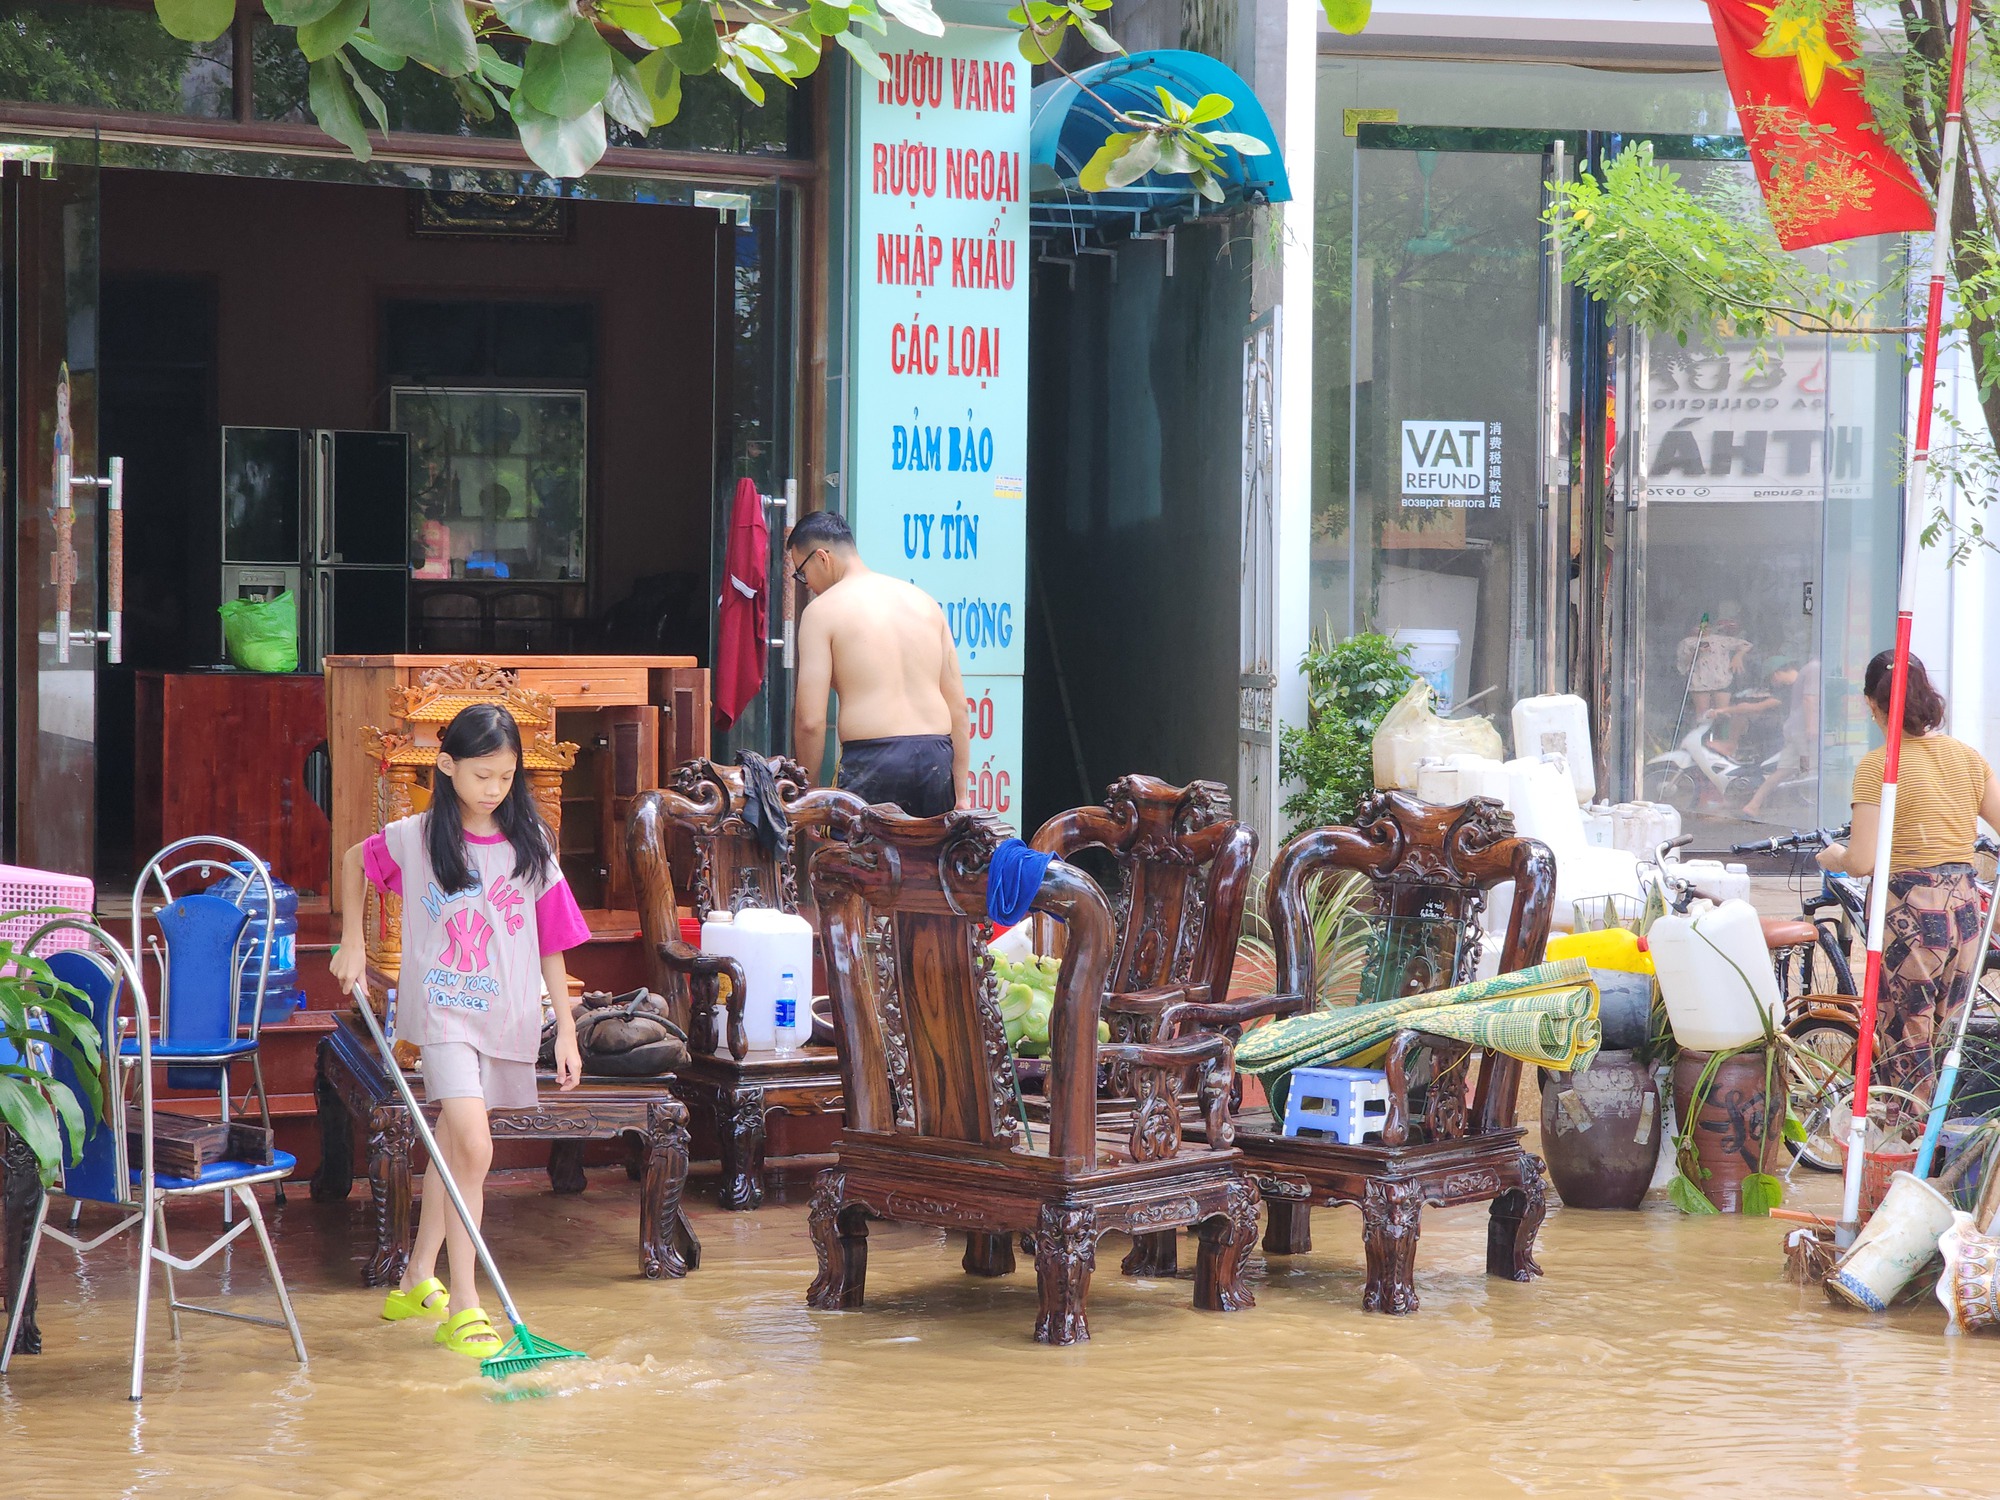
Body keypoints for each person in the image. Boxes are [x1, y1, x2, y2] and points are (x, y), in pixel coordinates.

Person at [329, 703, 592, 1358]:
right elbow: (351, 862)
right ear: (447, 769)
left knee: (454, 1150)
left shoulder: (532, 845)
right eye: (481, 776)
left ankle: (418, 1277)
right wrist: (353, 943)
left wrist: (566, 1029)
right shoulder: (418, 836)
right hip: (443, 1014)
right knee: (474, 1148)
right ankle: (466, 1305)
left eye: (505, 777)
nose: (493, 790)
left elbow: (553, 942)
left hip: (505, 1017)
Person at [1818, 652, 2000, 1105]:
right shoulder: (1967, 759)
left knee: (1907, 1043)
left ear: (1870, 703)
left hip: (1911, 917)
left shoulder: (1881, 766)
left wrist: (1832, 855)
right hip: (1963, 911)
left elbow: (1860, 861)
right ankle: (1942, 1153)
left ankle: (1901, 1153)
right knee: (1950, 1042)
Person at [788, 510, 970, 816]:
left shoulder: (822, 612)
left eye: (801, 573)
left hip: (873, 760)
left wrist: (811, 796)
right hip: (935, 759)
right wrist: (961, 793)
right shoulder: (923, 601)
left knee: (852, 863)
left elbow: (810, 722)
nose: (805, 584)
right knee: (927, 863)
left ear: (822, 558)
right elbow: (959, 708)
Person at [1674, 604, 1754, 720]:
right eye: (1698, 626)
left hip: (1721, 679)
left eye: (1706, 626)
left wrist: (1738, 656)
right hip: (1700, 681)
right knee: (1702, 714)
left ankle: (1722, 736)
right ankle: (1701, 735)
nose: (1702, 628)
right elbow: (1683, 663)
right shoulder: (1687, 642)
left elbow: (1746, 645)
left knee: (1722, 713)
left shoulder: (1720, 639)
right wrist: (1696, 652)